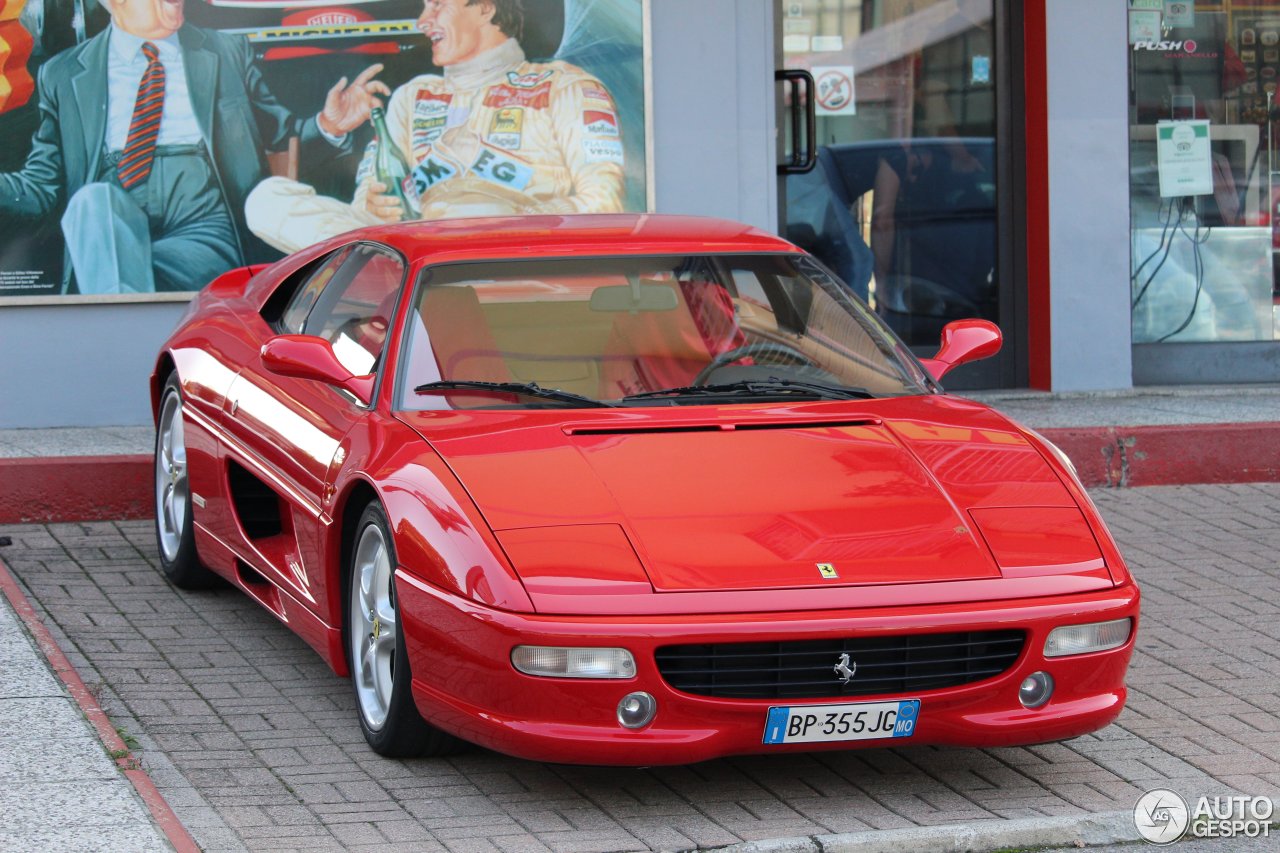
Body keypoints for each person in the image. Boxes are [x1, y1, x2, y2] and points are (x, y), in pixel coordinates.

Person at [0, 0, 388, 293]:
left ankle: (116, 338)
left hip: (202, 220)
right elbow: (41, 187)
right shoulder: (64, 73)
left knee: (119, 278)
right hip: (111, 213)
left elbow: (280, 139)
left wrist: (329, 125)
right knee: (91, 204)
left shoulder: (225, 52)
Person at [247, 0, 626, 254]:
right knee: (267, 199)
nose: (423, 21)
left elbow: (604, 205)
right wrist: (379, 206)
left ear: (484, 8)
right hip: (415, 256)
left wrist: (504, 218)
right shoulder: (413, 96)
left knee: (473, 212)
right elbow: (365, 208)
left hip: (512, 258)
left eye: (438, 4)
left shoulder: (566, 86)